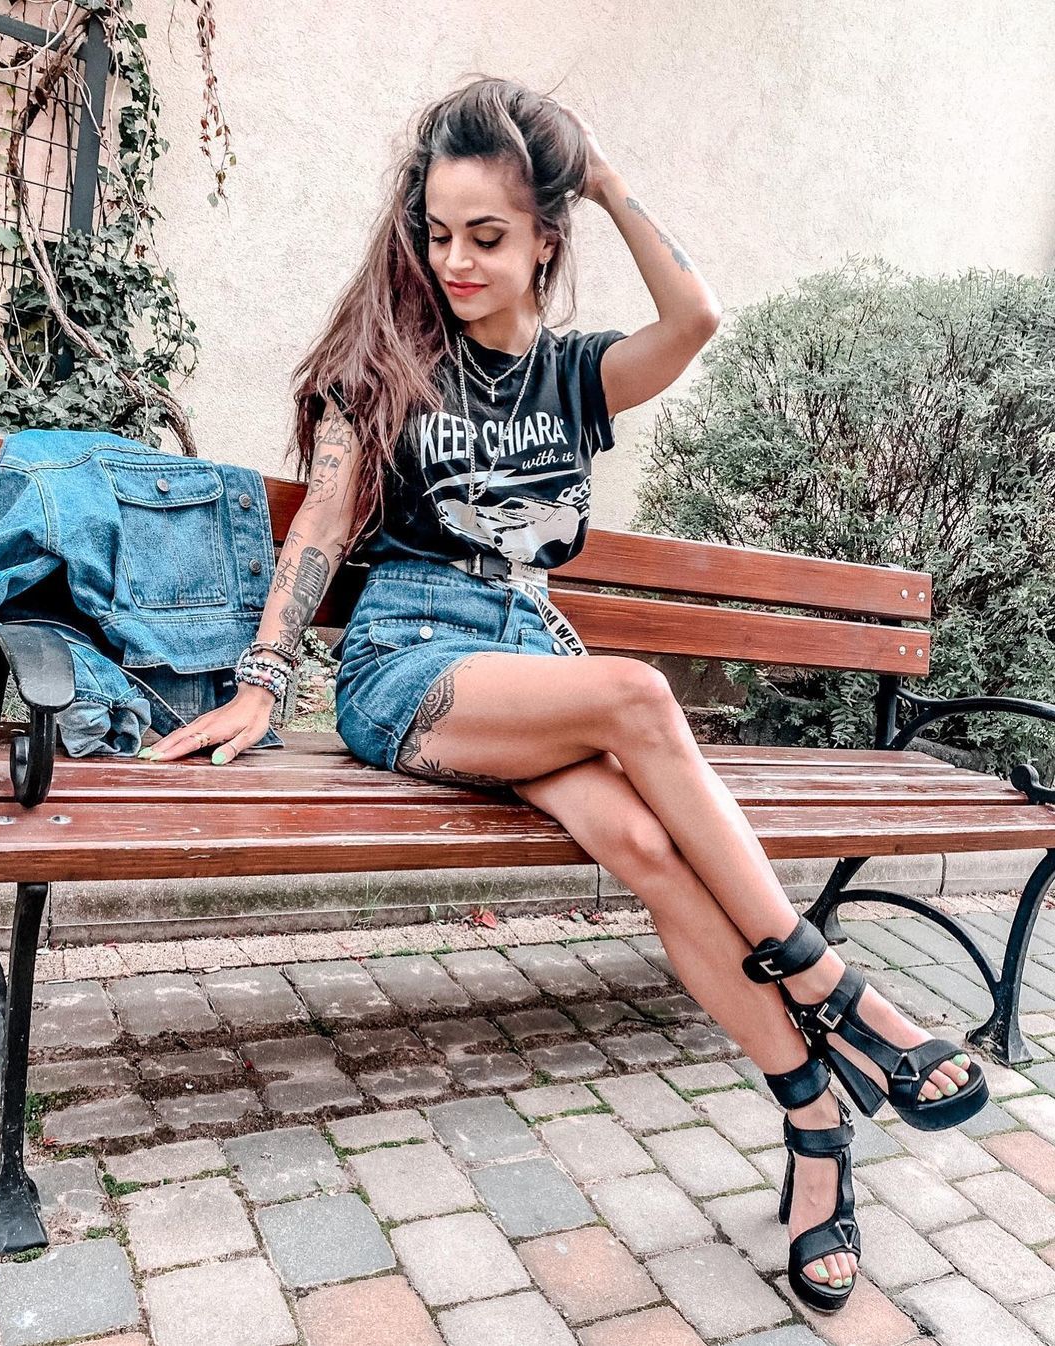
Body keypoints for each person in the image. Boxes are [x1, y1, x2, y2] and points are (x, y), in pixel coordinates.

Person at [141, 77, 988, 1312]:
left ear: (546, 236)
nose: (455, 260)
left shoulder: (578, 377)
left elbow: (697, 316)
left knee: (643, 844)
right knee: (638, 694)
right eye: (439, 232)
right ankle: (837, 989)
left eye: (488, 235)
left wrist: (604, 177)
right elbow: (322, 519)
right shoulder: (384, 363)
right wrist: (266, 681)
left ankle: (814, 1118)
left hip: (531, 667)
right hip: (410, 665)